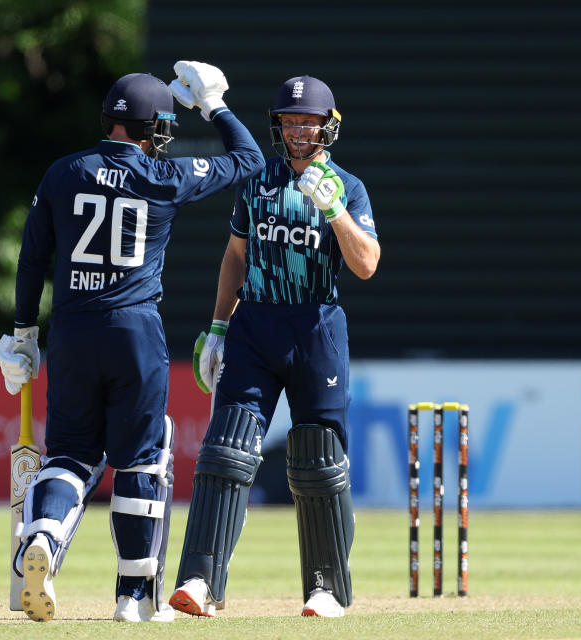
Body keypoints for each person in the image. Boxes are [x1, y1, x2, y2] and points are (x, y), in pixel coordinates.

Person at [0, 62, 265, 623]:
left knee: (68, 457)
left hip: (71, 331)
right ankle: (134, 598)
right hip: (135, 332)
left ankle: (42, 536)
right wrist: (214, 105)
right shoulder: (160, 177)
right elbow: (250, 160)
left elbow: (31, 259)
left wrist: (23, 332)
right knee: (144, 457)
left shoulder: (62, 173)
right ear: (155, 128)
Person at [169, 75, 380, 618]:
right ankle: (199, 581)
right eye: (289, 122)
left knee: (317, 459)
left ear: (328, 127)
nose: (297, 131)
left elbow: (366, 264)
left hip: (317, 328)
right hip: (256, 324)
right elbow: (236, 256)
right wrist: (218, 326)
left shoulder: (349, 187)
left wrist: (334, 211)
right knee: (225, 449)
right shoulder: (258, 179)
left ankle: (327, 589)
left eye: (307, 122)